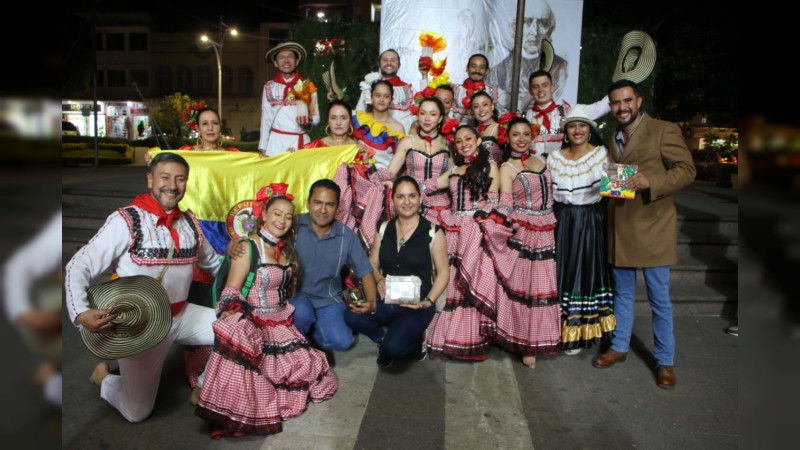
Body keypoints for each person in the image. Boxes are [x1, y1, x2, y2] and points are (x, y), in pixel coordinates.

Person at [64, 152, 222, 423]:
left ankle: (203, 386)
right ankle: (104, 377)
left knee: (236, 330)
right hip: (141, 326)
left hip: (182, 316)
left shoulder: (190, 224)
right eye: (165, 177)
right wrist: (80, 312)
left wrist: (247, 256)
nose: (172, 185)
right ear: (150, 180)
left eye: (180, 179)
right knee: (136, 412)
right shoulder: (126, 220)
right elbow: (79, 264)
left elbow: (215, 265)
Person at [195, 185, 337, 438]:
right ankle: (206, 389)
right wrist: (232, 313)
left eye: (288, 216)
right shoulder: (247, 247)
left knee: (305, 368)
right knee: (268, 376)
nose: (282, 220)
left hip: (281, 319)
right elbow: (232, 288)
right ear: (263, 215)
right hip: (256, 319)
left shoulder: (285, 247)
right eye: (277, 213)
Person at [591, 80, 696, 390]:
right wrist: (608, 189)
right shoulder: (615, 136)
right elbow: (620, 179)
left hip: (653, 226)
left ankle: (665, 360)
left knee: (658, 298)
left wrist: (652, 181)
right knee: (622, 293)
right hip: (621, 224)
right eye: (615, 103)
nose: (622, 107)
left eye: (627, 101)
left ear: (638, 101)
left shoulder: (663, 129)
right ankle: (619, 346)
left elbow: (687, 170)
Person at [481, 117, 561, 368]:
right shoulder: (507, 168)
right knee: (526, 288)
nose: (521, 139)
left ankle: (539, 338)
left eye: (526, 133)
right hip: (524, 232)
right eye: (515, 134)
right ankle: (526, 344)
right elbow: (505, 202)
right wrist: (492, 222)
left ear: (533, 136)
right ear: (507, 138)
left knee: (543, 288)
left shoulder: (543, 161)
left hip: (548, 229)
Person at [345, 176, 449, 367]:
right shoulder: (384, 228)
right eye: (400, 196)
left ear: (420, 199)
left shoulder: (433, 232)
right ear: (393, 200)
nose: (406, 201)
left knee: (394, 349)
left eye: (412, 196)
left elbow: (443, 273)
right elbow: (372, 263)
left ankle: (415, 338)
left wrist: (429, 301)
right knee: (351, 313)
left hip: (417, 304)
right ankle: (381, 338)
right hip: (388, 298)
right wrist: (378, 279)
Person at [423, 125, 500, 361]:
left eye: (468, 138)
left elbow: (493, 203)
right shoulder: (454, 170)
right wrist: (396, 185)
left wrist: (477, 227)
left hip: (476, 231)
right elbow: (428, 186)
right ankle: (446, 337)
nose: (464, 143)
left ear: (478, 141)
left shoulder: (490, 167)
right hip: (454, 232)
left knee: (470, 281)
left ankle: (470, 338)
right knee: (451, 282)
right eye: (459, 141)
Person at [545, 107, 616, 355]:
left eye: (582, 125)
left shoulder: (603, 154)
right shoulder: (554, 157)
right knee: (559, 271)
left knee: (584, 271)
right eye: (572, 126)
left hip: (590, 220)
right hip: (561, 219)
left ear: (590, 130)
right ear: (565, 131)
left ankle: (577, 333)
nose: (577, 130)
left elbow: (619, 193)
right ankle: (554, 330)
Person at [291, 179, 379, 350]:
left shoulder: (346, 236)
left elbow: (365, 272)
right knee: (301, 314)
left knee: (342, 342)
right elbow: (263, 236)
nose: (323, 210)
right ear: (308, 203)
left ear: (338, 207)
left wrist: (372, 303)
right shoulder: (292, 225)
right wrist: (238, 244)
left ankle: (310, 335)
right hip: (296, 296)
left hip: (329, 298)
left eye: (330, 204)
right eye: (318, 202)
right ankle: (299, 341)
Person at [488, 0, 568, 110]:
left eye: (542, 24)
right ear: (514, 27)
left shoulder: (560, 67)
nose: (534, 31)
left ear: (549, 29)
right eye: (527, 22)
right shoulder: (498, 69)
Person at [387, 97, 451, 226]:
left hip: (441, 205)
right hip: (411, 203)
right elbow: (389, 173)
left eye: (433, 114)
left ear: (440, 118)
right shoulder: (408, 141)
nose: (427, 118)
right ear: (417, 115)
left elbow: (452, 175)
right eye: (422, 113)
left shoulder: (447, 144)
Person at [524, 70, 609, 157]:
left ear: (552, 88)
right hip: (535, 164)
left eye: (544, 85)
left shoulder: (568, 110)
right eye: (535, 87)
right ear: (530, 91)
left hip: (563, 163)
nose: (540, 90)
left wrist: (616, 93)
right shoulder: (525, 117)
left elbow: (598, 108)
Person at [259, 42, 320, 157]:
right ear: (275, 63)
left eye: (290, 57)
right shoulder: (269, 86)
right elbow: (265, 119)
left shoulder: (308, 86)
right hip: (275, 144)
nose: (286, 60)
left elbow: (316, 117)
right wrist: (263, 147)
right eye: (281, 57)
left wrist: (308, 121)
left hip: (300, 142)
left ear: (297, 61)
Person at [355, 49, 418, 132]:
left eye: (393, 60)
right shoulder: (369, 86)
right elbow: (359, 112)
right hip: (374, 136)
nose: (389, 63)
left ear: (399, 65)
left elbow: (417, 117)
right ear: (379, 64)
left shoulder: (409, 89)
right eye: (385, 60)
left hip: (401, 135)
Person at [352, 79, 407, 168]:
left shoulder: (397, 128)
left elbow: (400, 161)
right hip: (358, 171)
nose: (381, 100)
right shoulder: (361, 120)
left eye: (386, 96)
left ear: (391, 100)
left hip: (385, 174)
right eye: (377, 95)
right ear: (371, 97)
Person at [452, 54, 510, 123]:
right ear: (467, 68)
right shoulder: (455, 90)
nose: (477, 70)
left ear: (487, 71)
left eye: (481, 67)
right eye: (473, 66)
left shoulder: (494, 92)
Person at [470, 90, 507, 165]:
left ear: (492, 106)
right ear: (472, 111)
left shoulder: (499, 128)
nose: (481, 109)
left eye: (485, 104)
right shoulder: (471, 132)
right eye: (476, 107)